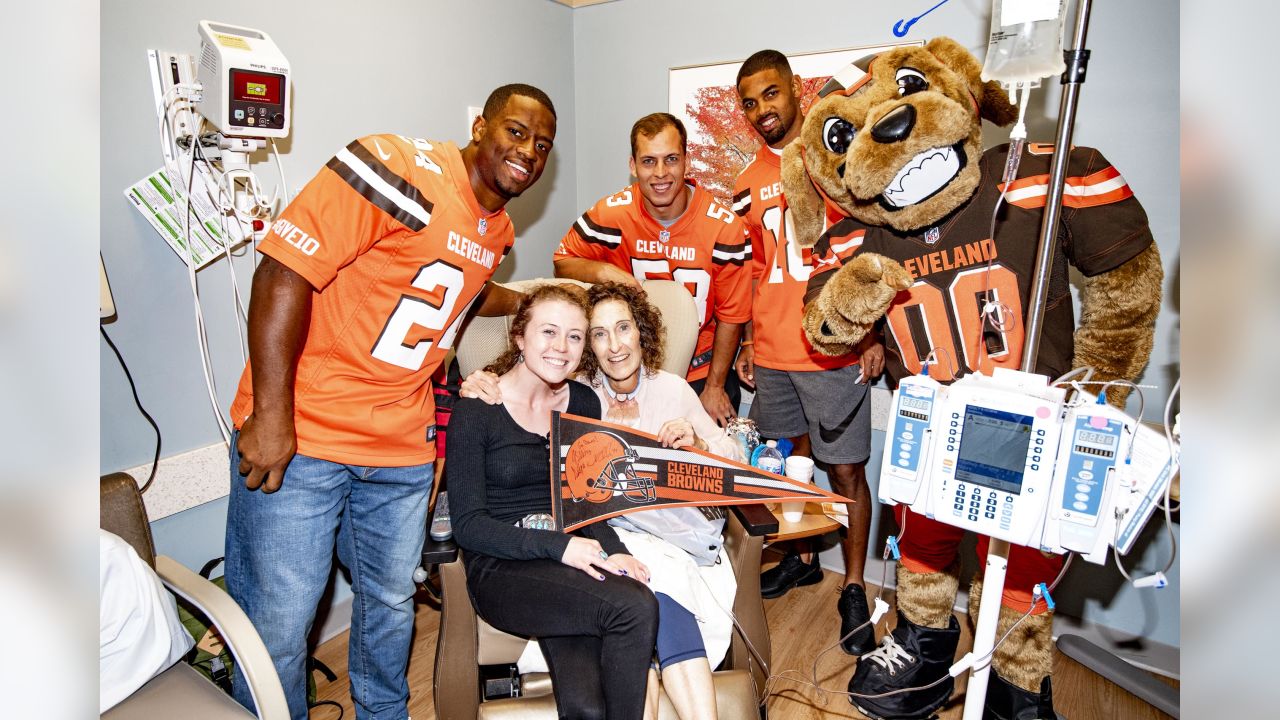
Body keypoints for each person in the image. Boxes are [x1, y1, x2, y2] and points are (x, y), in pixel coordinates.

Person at [226, 83, 558, 719]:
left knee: (389, 605)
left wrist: (517, 301)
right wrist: (272, 414)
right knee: (279, 624)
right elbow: (283, 269)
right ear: (482, 124)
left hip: (400, 447)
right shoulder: (395, 165)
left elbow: (452, 286)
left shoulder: (499, 231)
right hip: (307, 434)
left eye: (542, 146)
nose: (528, 152)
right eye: (517, 132)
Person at [463, 281, 741, 720]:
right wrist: (478, 378)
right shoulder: (542, 396)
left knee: (636, 616)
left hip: (620, 540)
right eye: (596, 333)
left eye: (623, 329)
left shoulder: (650, 392)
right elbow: (477, 517)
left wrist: (698, 446)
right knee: (637, 605)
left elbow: (731, 460)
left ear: (641, 332)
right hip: (562, 547)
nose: (613, 346)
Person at [731, 50, 884, 655]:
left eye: (770, 94)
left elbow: (868, 256)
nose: (760, 110)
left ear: (794, 91)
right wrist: (745, 338)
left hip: (832, 348)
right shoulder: (744, 186)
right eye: (748, 101)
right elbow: (751, 271)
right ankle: (799, 559)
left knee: (845, 470)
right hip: (770, 351)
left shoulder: (834, 158)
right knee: (785, 467)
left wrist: (871, 333)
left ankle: (852, 588)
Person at [448, 284, 658, 720]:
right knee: (635, 607)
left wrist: (617, 552)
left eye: (576, 336)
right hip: (503, 568)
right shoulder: (478, 409)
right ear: (520, 337)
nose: (562, 348)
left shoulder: (581, 402)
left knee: (587, 706)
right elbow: (469, 526)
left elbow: (588, 496)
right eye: (548, 332)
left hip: (568, 562)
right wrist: (561, 547)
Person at [554, 113, 752, 427]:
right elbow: (562, 261)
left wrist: (714, 386)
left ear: (687, 161)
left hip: (701, 371)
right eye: (649, 161)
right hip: (630, 373)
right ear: (633, 166)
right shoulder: (612, 213)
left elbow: (733, 314)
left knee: (701, 470)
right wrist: (606, 272)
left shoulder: (724, 227)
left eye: (671, 159)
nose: (660, 173)